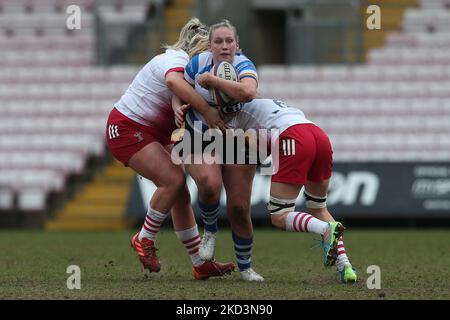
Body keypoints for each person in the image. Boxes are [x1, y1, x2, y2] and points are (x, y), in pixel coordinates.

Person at [105, 18, 235, 280]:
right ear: (197, 49)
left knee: (180, 194)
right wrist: (209, 112)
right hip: (127, 128)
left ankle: (200, 262)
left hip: (153, 131)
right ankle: (144, 238)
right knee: (173, 180)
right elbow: (175, 84)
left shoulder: (184, 64)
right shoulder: (175, 58)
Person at [187, 97, 358, 283]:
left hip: (294, 138)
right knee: (319, 209)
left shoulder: (234, 116)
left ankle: (325, 229)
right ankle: (345, 266)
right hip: (318, 135)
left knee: (279, 217)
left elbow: (252, 150)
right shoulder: (260, 103)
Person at [175, 20, 264, 281]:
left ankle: (246, 267)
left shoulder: (244, 65)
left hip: (236, 138)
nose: (224, 46)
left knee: (238, 208)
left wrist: (213, 81)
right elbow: (179, 88)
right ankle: (210, 232)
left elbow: (248, 93)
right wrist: (177, 106)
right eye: (218, 41)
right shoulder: (196, 64)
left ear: (237, 45)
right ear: (210, 45)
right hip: (198, 136)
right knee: (209, 183)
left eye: (229, 41)